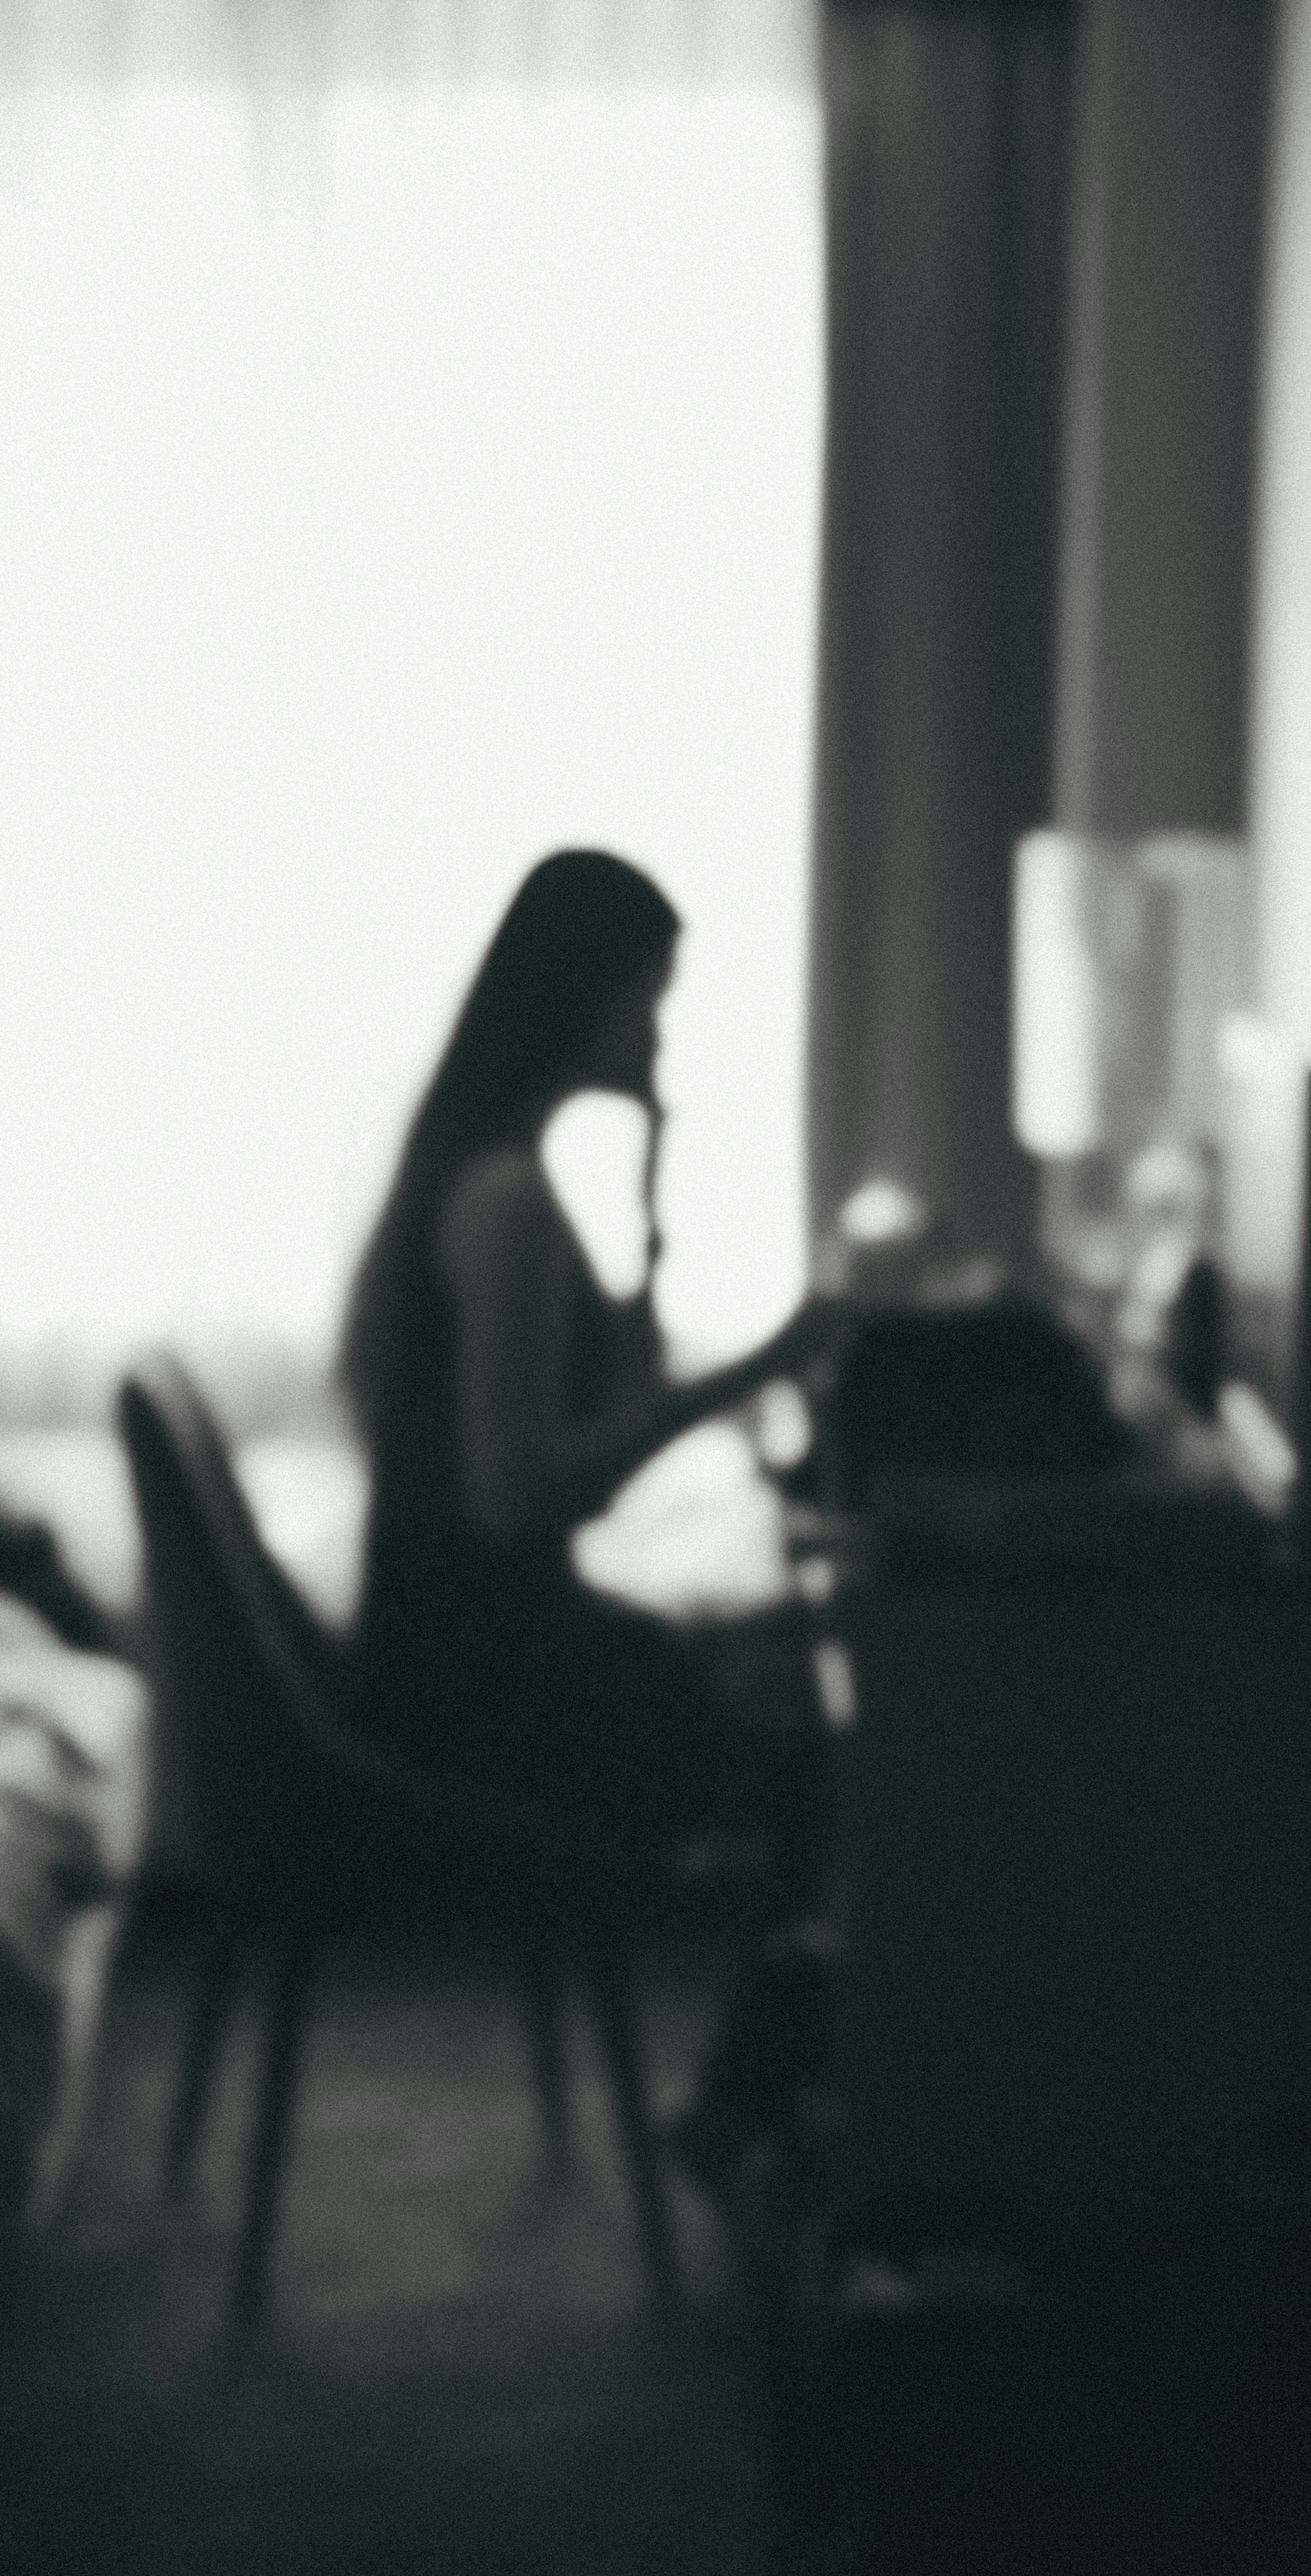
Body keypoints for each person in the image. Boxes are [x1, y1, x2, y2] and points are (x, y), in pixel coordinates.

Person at [336, 848, 843, 2177]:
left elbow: (605, 1418)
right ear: (586, 999)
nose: (659, 1031)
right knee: (817, 1753)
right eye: (650, 999)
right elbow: (526, 1497)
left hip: (470, 1631)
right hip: (474, 1670)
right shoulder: (504, 1201)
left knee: (782, 1685)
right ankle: (754, 2109)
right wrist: (765, 1364)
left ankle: (757, 2100)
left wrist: (656, 1200)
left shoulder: (513, 1172)